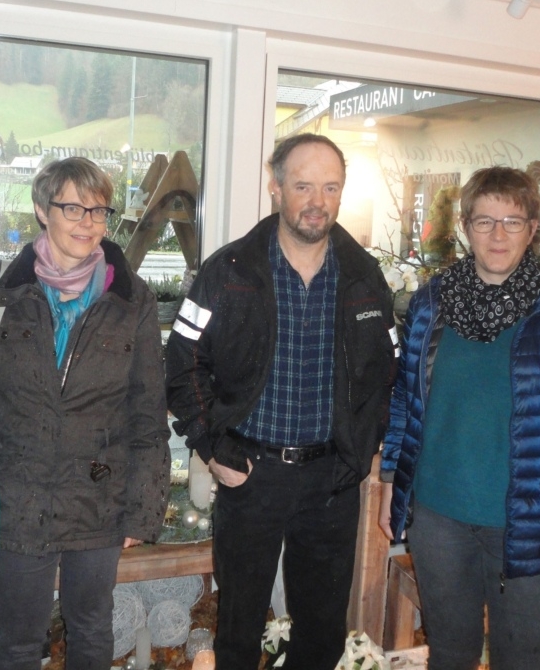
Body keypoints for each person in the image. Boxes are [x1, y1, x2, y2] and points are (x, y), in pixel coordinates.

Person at [165, 133, 398, 670]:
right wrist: (212, 447)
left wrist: (363, 447)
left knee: (323, 634)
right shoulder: (229, 272)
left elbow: (389, 371)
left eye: (330, 187)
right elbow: (181, 363)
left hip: (332, 480)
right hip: (251, 473)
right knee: (239, 630)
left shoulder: (363, 278)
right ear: (275, 187)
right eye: (303, 186)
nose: (317, 200)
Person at [380, 166, 540, 670]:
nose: (498, 235)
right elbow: (404, 400)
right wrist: (390, 487)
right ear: (465, 227)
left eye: (512, 221)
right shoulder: (430, 303)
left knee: (523, 661)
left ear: (532, 229)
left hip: (532, 527)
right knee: (449, 655)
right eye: (485, 221)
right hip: (438, 519)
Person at [0, 157, 169, 670]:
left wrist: (142, 508)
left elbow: (147, 411)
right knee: (19, 638)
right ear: (40, 209)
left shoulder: (131, 298)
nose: (87, 222)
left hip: (98, 496)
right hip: (17, 495)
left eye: (98, 210)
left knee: (92, 627)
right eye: (72, 207)